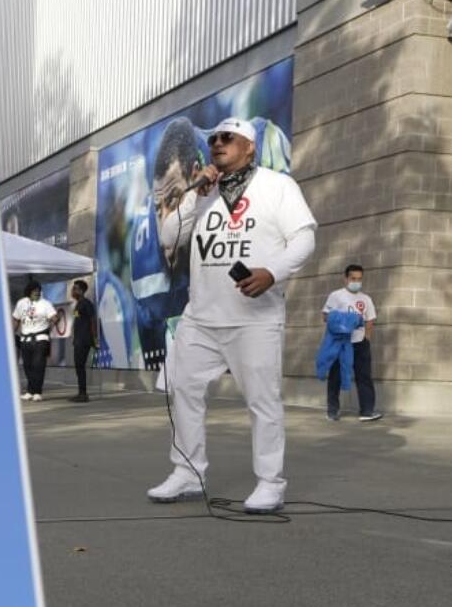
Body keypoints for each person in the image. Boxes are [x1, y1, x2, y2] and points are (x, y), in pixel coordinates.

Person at [148, 117, 317, 514]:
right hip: (201, 317)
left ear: (250, 147)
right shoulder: (203, 193)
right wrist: (192, 195)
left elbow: (305, 237)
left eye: (228, 138)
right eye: (214, 139)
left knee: (263, 401)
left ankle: (270, 482)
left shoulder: (277, 187)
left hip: (254, 317)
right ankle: (189, 472)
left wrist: (272, 272)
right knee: (183, 391)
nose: (218, 144)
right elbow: (170, 237)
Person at [323, 264, 381, 422]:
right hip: (340, 343)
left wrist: (366, 338)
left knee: (364, 377)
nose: (356, 282)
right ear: (346, 278)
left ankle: (367, 411)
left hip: (360, 343)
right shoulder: (336, 296)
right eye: (353, 278)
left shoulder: (366, 299)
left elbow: (370, 320)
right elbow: (326, 317)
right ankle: (332, 410)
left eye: (359, 279)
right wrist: (345, 322)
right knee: (336, 376)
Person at [12, 281, 58, 402]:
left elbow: (55, 318)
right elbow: (16, 319)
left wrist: (49, 328)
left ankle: (37, 392)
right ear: (29, 291)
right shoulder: (21, 303)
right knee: (27, 366)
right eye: (34, 290)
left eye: (38, 290)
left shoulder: (45, 304)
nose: (37, 292)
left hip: (40, 339)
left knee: (38, 365)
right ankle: (30, 391)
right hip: (25, 339)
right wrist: (12, 332)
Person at [69, 279, 98, 402]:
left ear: (81, 291)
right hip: (78, 340)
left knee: (80, 366)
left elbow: (93, 321)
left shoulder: (86, 303)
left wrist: (95, 339)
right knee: (78, 366)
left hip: (84, 340)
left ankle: (83, 394)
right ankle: (81, 392)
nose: (72, 291)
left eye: (75, 288)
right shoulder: (78, 303)